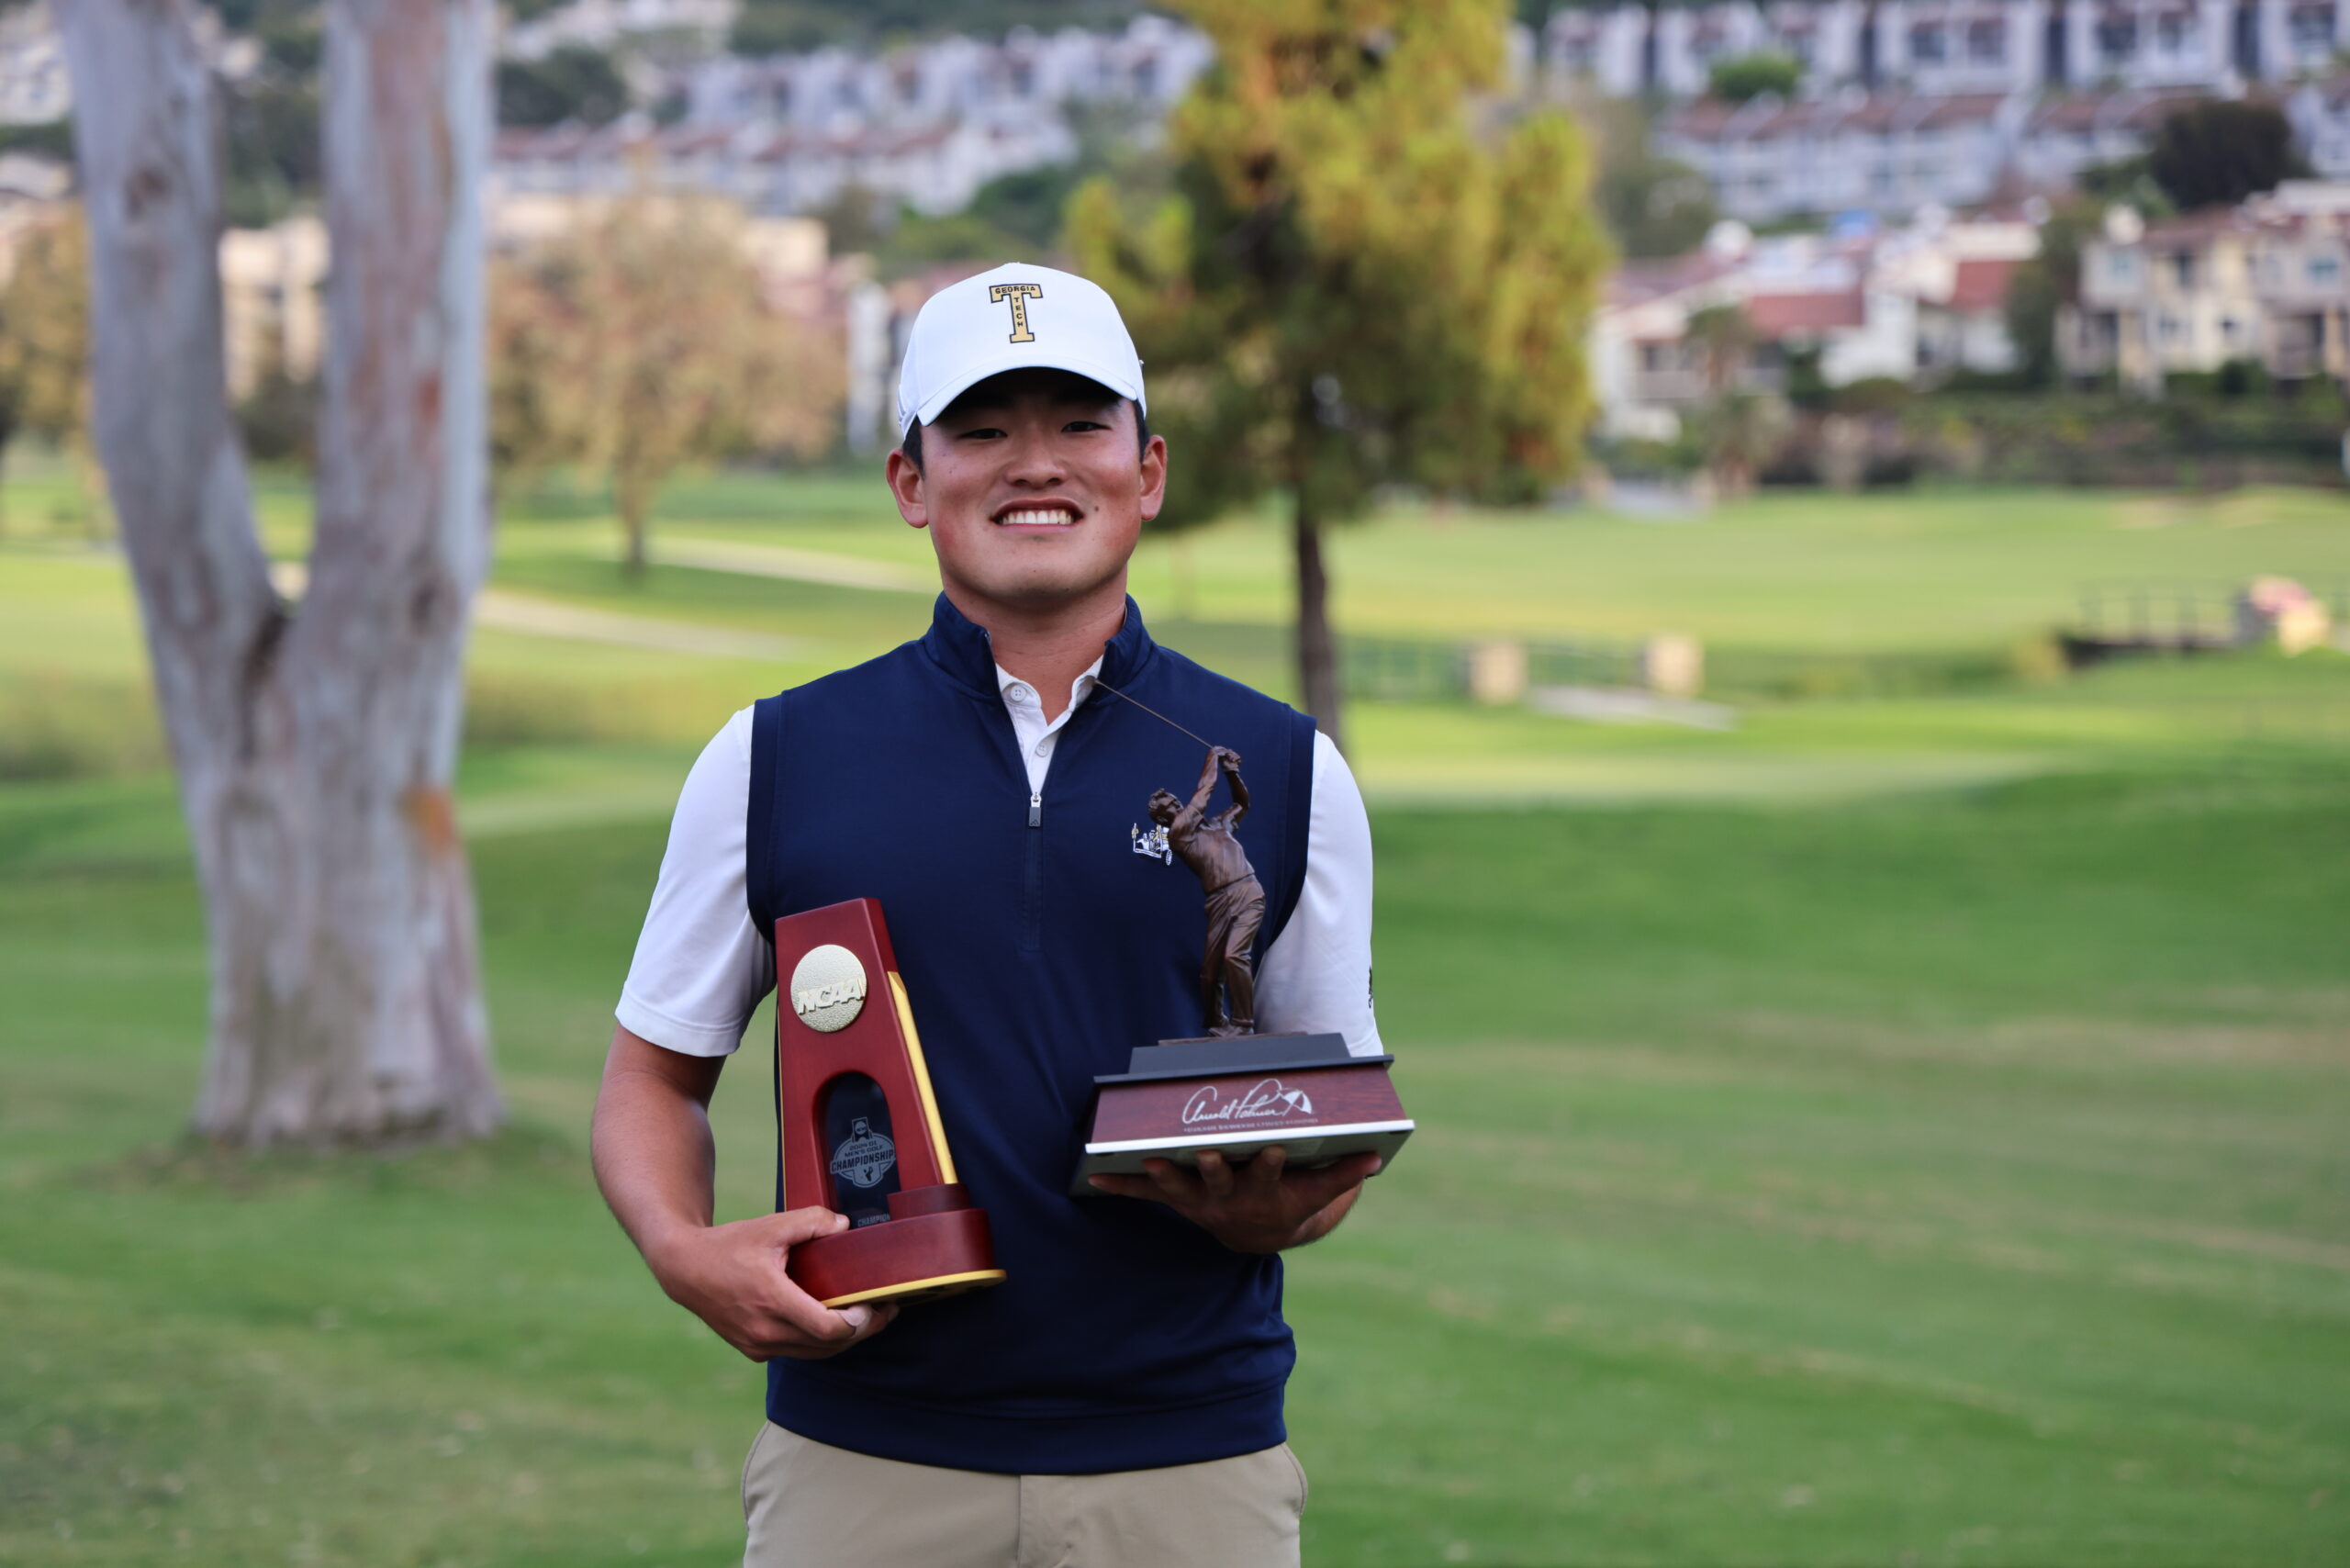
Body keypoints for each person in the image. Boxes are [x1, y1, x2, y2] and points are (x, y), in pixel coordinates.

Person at [592, 263, 1383, 1568]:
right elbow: (651, 1080)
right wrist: (684, 1251)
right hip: (863, 1460)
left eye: (1079, 423)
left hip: (1188, 1465)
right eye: (981, 428)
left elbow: (1326, 1119)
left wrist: (1280, 1210)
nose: (1036, 464)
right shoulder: (776, 754)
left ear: (1150, 469)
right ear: (912, 481)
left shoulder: (1284, 763)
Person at [1147, 745, 1267, 1036]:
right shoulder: (1179, 834)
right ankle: (1215, 1021)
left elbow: (1242, 804)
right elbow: (1203, 793)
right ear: (1165, 820)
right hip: (1218, 901)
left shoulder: (1220, 825)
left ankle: (1243, 1024)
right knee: (1211, 972)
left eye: (1177, 803)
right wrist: (1213, 756)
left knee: (1234, 957)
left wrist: (1231, 773)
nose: (1178, 808)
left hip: (1248, 892)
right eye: (1171, 809)